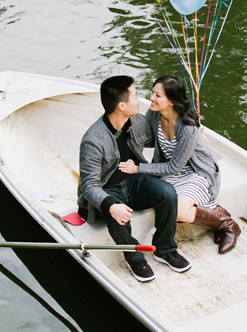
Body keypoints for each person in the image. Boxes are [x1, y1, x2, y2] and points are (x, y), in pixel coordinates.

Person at [77, 75, 191, 282]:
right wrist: (111, 205)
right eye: (136, 96)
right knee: (117, 216)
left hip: (134, 180)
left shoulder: (137, 121)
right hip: (107, 189)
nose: (141, 100)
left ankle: (164, 249)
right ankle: (135, 257)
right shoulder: (93, 140)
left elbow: (160, 135)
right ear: (122, 105)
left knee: (167, 193)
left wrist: (191, 127)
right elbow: (89, 185)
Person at [120, 74, 241, 253]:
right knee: (160, 200)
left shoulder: (188, 127)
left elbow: (174, 166)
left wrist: (138, 168)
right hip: (170, 171)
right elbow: (147, 140)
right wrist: (124, 122)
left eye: (158, 95)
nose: (151, 98)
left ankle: (227, 225)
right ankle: (216, 210)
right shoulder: (154, 114)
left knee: (176, 212)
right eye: (152, 92)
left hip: (196, 172)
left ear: (172, 101)